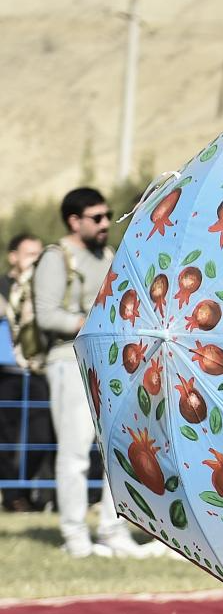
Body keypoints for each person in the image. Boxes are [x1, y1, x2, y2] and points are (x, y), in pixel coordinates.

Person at [33, 188, 161, 558]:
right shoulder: (56, 257)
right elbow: (46, 315)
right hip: (68, 361)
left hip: (109, 361)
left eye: (107, 215)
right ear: (74, 221)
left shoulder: (107, 255)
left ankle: (112, 530)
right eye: (97, 217)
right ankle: (74, 536)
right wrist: (94, 322)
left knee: (118, 449)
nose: (106, 223)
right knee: (75, 453)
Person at [0, 233, 55, 511]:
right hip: (5, 372)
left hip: (36, 371)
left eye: (39, 255)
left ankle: (22, 491)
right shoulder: (3, 285)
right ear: (13, 257)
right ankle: (14, 498)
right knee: (5, 440)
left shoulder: (44, 287)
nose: (35, 260)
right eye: (30, 254)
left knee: (41, 436)